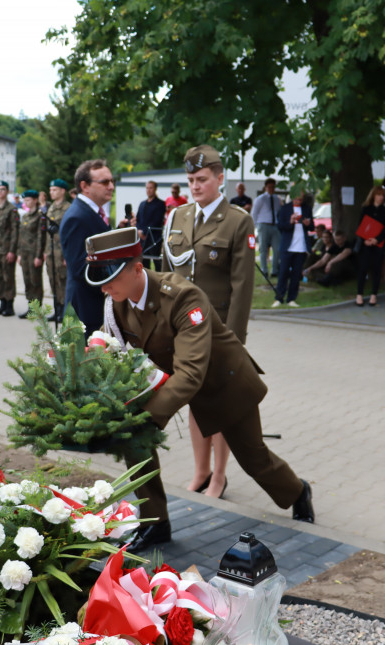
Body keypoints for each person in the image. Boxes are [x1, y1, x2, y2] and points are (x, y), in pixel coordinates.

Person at [85, 227, 314, 553]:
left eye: (111, 277)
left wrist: (150, 416)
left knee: (254, 459)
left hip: (222, 381)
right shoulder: (117, 302)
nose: (104, 286)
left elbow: (192, 372)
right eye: (99, 278)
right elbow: (122, 353)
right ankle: (156, 523)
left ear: (137, 268)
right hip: (170, 381)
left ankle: (298, 491)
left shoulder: (181, 296)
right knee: (133, 439)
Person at [163, 145, 256, 498]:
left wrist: (234, 340)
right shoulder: (178, 217)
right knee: (195, 400)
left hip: (218, 331)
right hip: (184, 330)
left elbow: (242, 285)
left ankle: (219, 476)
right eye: (190, 180)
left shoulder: (237, 221)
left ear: (220, 178)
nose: (195, 186)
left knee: (220, 403)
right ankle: (200, 471)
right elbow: (169, 274)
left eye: (202, 179)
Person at [60, 159, 112, 337]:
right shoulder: (78, 217)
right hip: (85, 311)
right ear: (85, 186)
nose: (111, 186)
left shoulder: (91, 213)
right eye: (105, 182)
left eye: (112, 181)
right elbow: (80, 270)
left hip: (94, 306)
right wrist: (117, 276)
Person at [273, 188, 312, 308]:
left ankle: (292, 298)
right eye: (296, 199)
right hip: (288, 246)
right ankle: (279, 298)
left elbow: (312, 226)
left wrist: (308, 224)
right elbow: (280, 226)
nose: (298, 201)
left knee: (296, 274)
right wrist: (290, 222)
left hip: (301, 247)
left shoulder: (306, 208)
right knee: (283, 272)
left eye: (300, 199)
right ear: (292, 197)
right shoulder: (285, 208)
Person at [354, 186, 385, 306]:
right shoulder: (366, 209)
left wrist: (377, 239)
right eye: (378, 195)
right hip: (366, 244)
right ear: (373, 195)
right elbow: (361, 225)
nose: (380, 197)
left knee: (376, 269)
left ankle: (373, 295)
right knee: (362, 269)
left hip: (378, 245)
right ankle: (359, 294)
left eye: (382, 195)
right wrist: (365, 239)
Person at [0, 180, 20, 317]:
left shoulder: (11, 209)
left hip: (6, 249)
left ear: (7, 192)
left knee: (8, 277)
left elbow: (15, 231)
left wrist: (12, 250)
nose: (0, 192)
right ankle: (1, 302)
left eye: (3, 189)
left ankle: (9, 305)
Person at [44, 179, 71, 322]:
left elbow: (70, 233)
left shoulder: (68, 208)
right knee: (53, 280)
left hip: (62, 252)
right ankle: (57, 310)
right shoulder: (51, 207)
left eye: (54, 189)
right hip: (51, 251)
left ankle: (66, 311)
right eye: (50, 189)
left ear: (62, 191)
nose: (51, 192)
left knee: (63, 281)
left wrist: (68, 254)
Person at [17, 189, 45, 318]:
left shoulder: (40, 216)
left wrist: (38, 255)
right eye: (25, 200)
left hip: (34, 253)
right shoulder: (26, 216)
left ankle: (37, 309)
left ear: (35, 200)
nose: (26, 202)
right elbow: (21, 236)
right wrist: (19, 254)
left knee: (35, 281)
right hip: (25, 253)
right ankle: (30, 306)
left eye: (28, 200)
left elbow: (41, 237)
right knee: (27, 280)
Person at [251, 177, 282, 280]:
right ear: (265, 187)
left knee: (277, 249)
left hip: (275, 226)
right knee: (263, 249)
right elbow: (254, 213)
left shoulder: (277, 199)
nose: (271, 189)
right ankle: (264, 270)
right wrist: (255, 226)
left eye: (273, 187)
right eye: (269, 187)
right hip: (263, 225)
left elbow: (278, 212)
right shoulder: (260, 199)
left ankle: (274, 270)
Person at [135, 180, 167, 271]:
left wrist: (144, 232)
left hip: (154, 238)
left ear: (155, 189)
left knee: (157, 263)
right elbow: (138, 219)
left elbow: (157, 220)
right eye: (147, 188)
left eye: (151, 188)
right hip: (142, 239)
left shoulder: (160, 204)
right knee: (143, 262)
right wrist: (139, 231)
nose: (148, 190)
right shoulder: (142, 204)